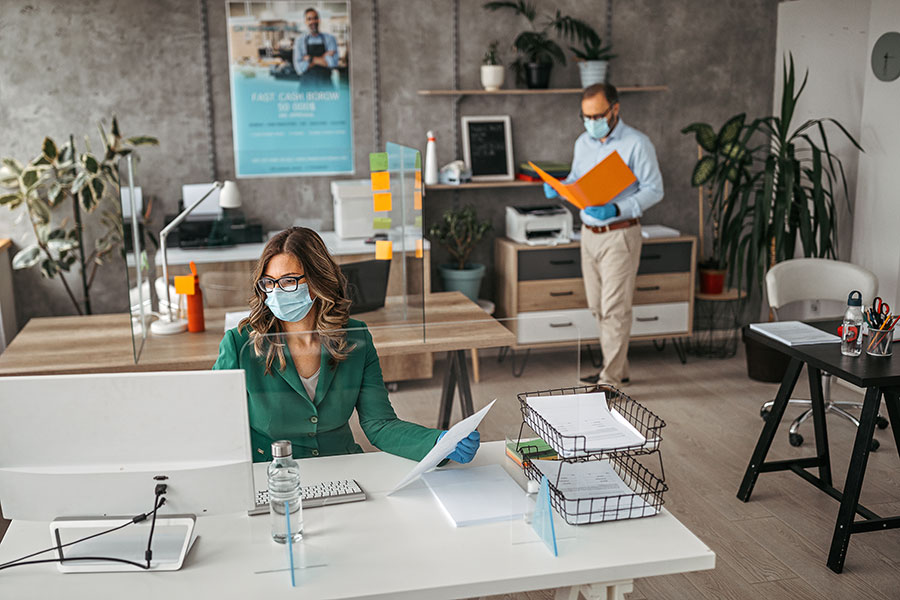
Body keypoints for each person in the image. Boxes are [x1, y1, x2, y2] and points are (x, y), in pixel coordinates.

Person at [213, 227, 480, 463]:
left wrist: (438, 443)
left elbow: (379, 424)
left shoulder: (355, 338)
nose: (276, 292)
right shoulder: (240, 345)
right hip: (273, 475)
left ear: (318, 281)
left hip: (342, 466)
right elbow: (214, 424)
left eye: (289, 281)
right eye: (269, 283)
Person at [544, 83, 664, 387]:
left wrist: (616, 208)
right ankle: (618, 369)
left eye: (597, 115)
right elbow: (577, 180)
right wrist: (560, 186)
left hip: (619, 235)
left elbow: (655, 190)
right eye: (585, 116)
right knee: (598, 306)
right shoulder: (583, 142)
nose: (591, 122)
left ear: (615, 109)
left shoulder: (637, 144)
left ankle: (609, 380)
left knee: (614, 309)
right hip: (588, 234)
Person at [292, 8, 338, 87]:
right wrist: (324, 58)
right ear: (305, 22)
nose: (313, 21)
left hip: (326, 85)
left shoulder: (330, 38)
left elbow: (333, 63)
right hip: (307, 86)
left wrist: (310, 59)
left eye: (315, 18)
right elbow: (299, 68)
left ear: (319, 20)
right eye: (309, 19)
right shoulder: (300, 41)